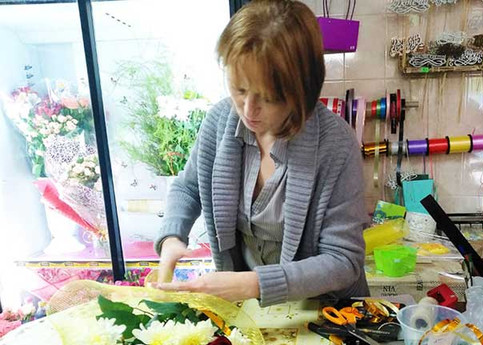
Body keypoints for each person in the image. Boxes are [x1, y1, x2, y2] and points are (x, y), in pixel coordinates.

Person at [153, 0, 369, 307]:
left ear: (302, 92)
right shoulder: (219, 122)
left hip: (324, 311)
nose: (248, 110)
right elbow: (189, 188)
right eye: (239, 89)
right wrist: (173, 236)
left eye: (268, 98)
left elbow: (342, 261)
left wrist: (253, 283)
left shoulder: (336, 145)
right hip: (251, 308)